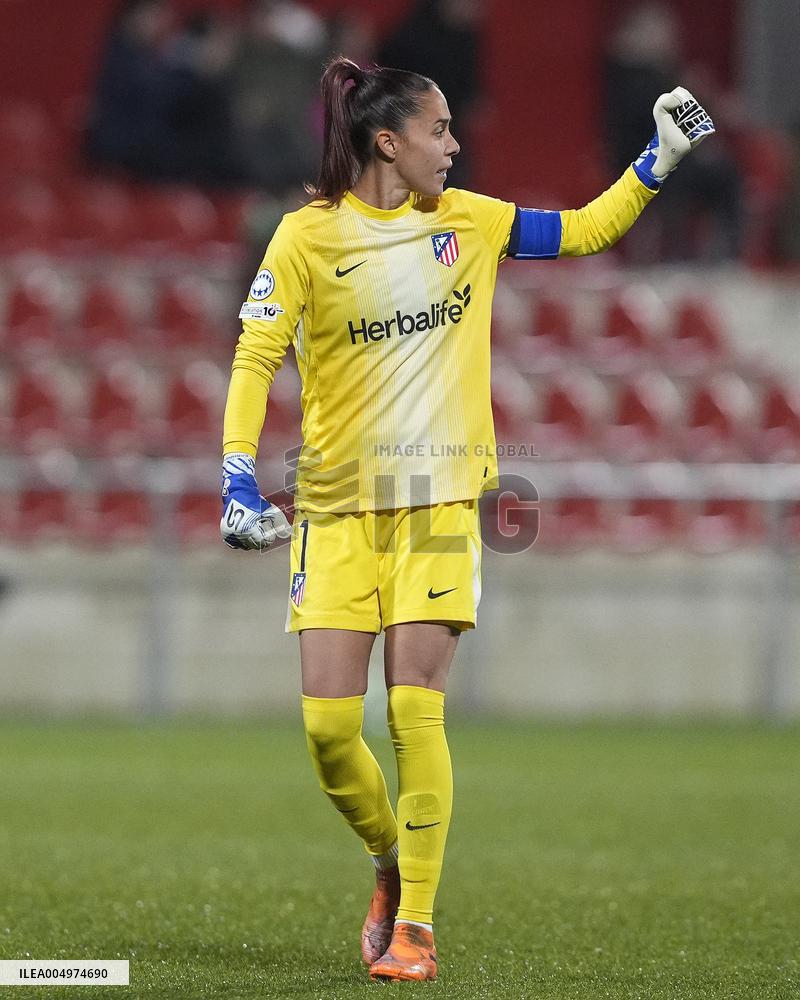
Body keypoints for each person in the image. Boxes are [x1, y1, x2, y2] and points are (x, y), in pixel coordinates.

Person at [219, 58, 713, 982]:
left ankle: (416, 925)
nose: (455, 144)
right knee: (329, 734)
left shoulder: (471, 221)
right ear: (388, 142)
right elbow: (256, 356)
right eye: (439, 130)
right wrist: (236, 476)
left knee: (415, 708)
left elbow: (583, 230)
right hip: (335, 507)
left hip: (440, 504)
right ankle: (389, 860)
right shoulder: (304, 237)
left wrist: (657, 160)